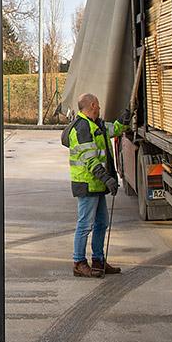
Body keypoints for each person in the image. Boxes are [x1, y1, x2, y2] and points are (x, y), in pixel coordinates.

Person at [61, 93, 130, 278]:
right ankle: (79, 262)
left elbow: (114, 129)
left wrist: (125, 118)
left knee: (101, 223)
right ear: (92, 105)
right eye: (98, 105)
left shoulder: (96, 124)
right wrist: (107, 178)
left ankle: (99, 261)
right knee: (85, 225)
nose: (100, 108)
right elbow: (90, 161)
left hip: (97, 185)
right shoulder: (82, 128)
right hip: (87, 184)